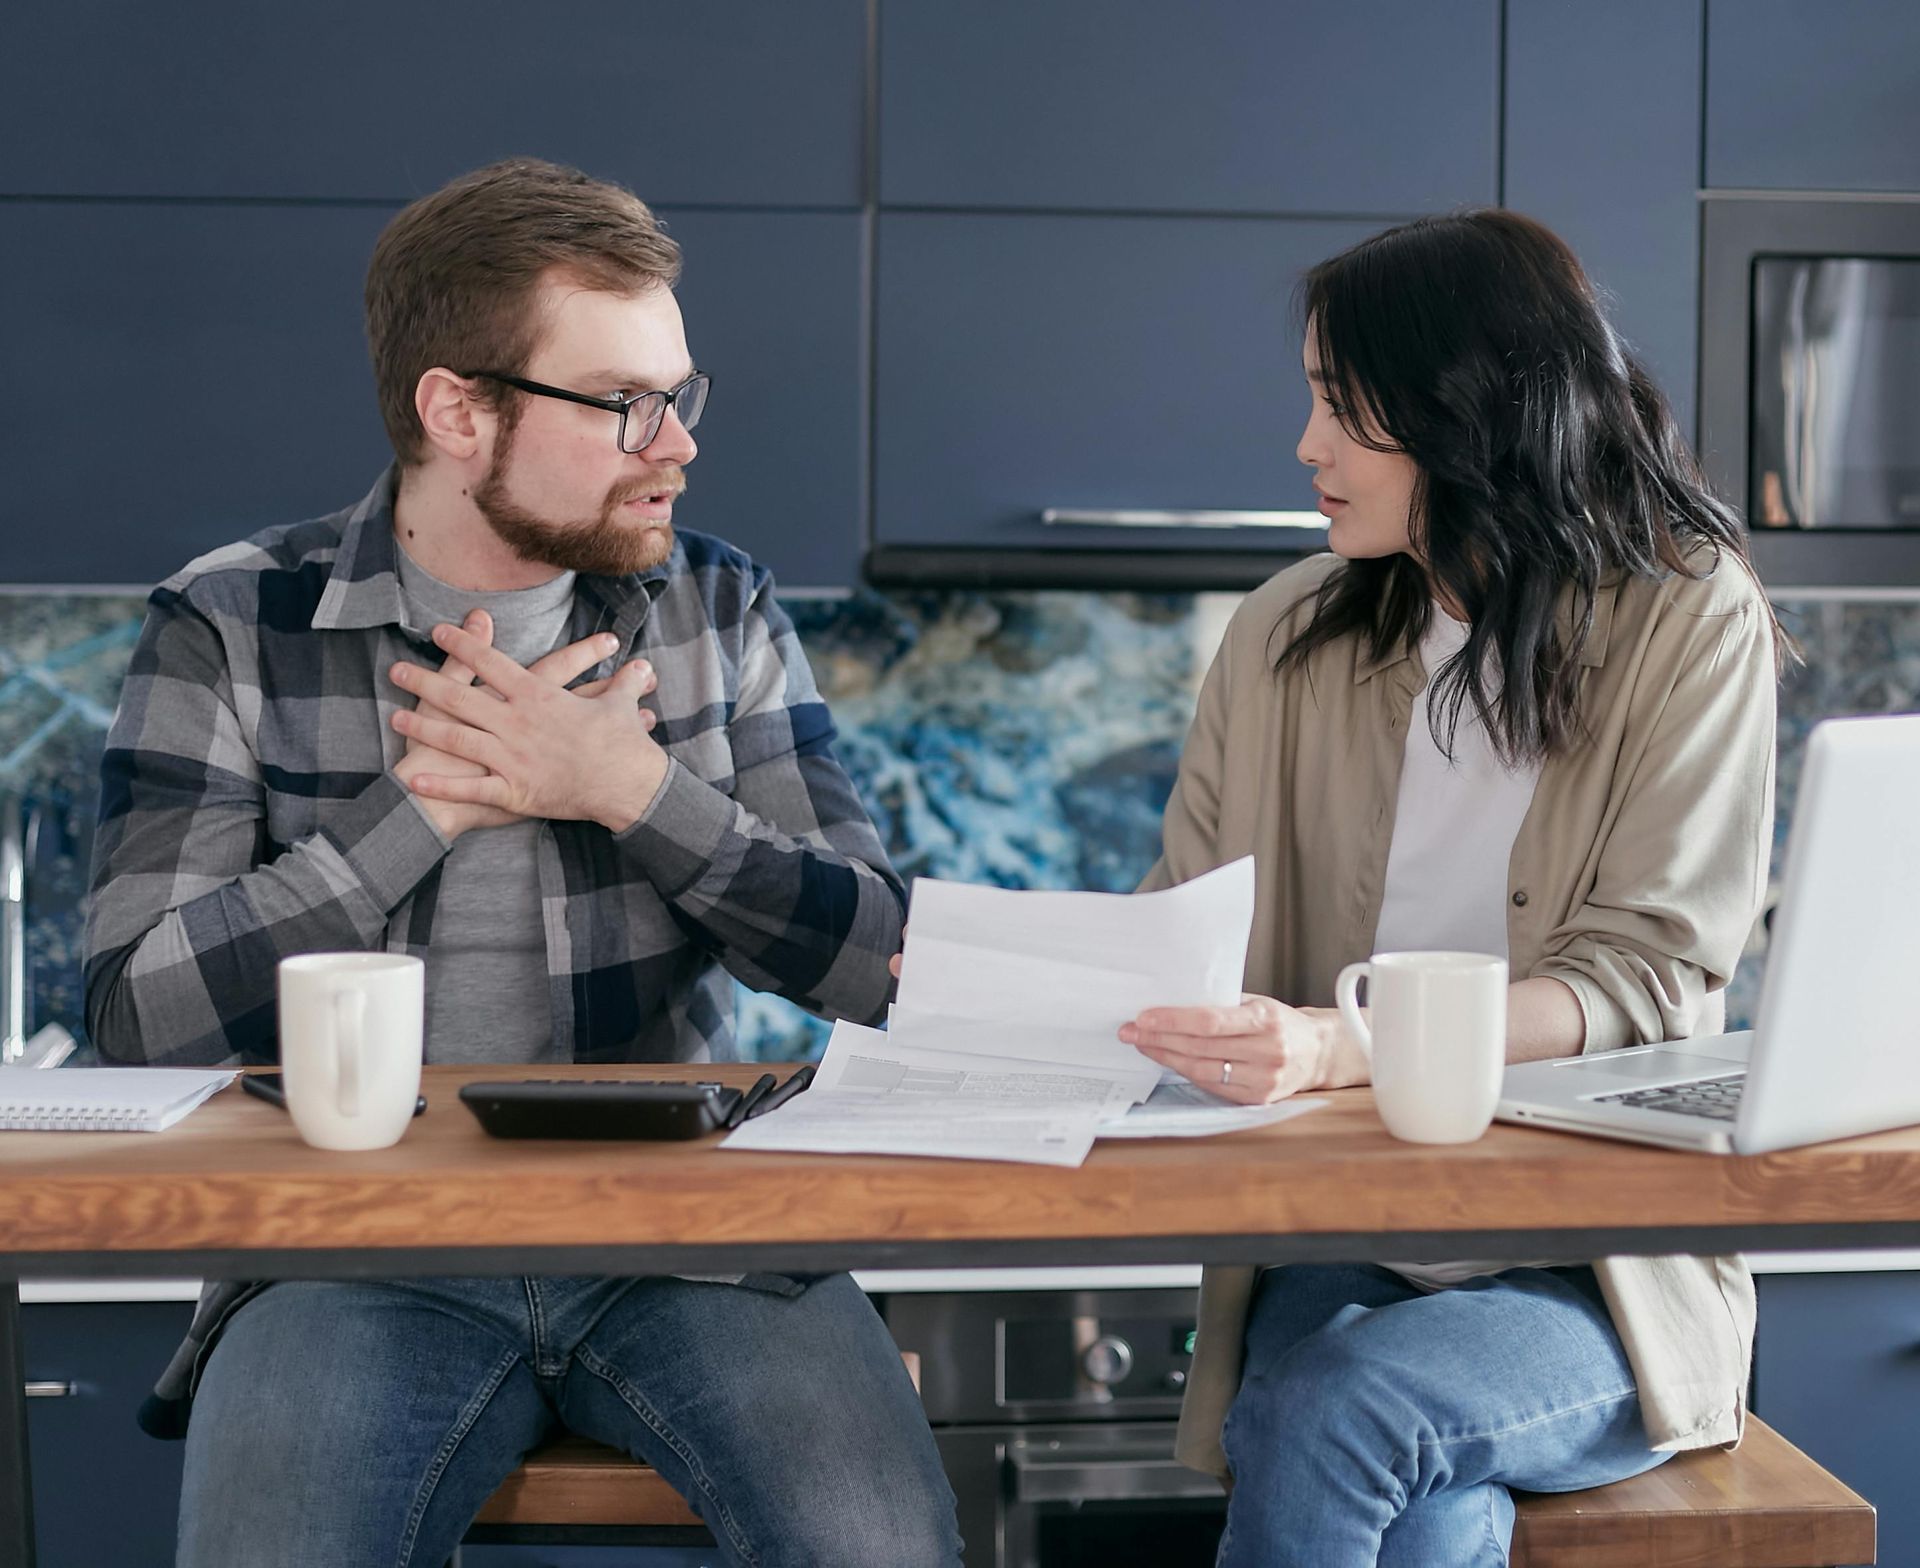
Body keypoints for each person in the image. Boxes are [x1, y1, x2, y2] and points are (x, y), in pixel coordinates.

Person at [84, 157, 959, 1567]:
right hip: (345, 1249)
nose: (673, 442)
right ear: (458, 408)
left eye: (680, 396)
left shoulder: (717, 608)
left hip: (692, 1240)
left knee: (880, 1545)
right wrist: (415, 812)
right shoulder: (234, 622)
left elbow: (882, 962)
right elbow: (135, 1013)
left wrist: (628, 789)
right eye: (625, 404)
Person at [1117, 211, 1787, 1565]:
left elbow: (1648, 974)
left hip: (1594, 1265)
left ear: (1466, 412)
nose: (1306, 447)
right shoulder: (1285, 634)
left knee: (1339, 1410)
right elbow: (1178, 918)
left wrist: (1333, 1045)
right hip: (1348, 1234)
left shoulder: (1688, 616)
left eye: (1341, 407)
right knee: (1405, 1495)